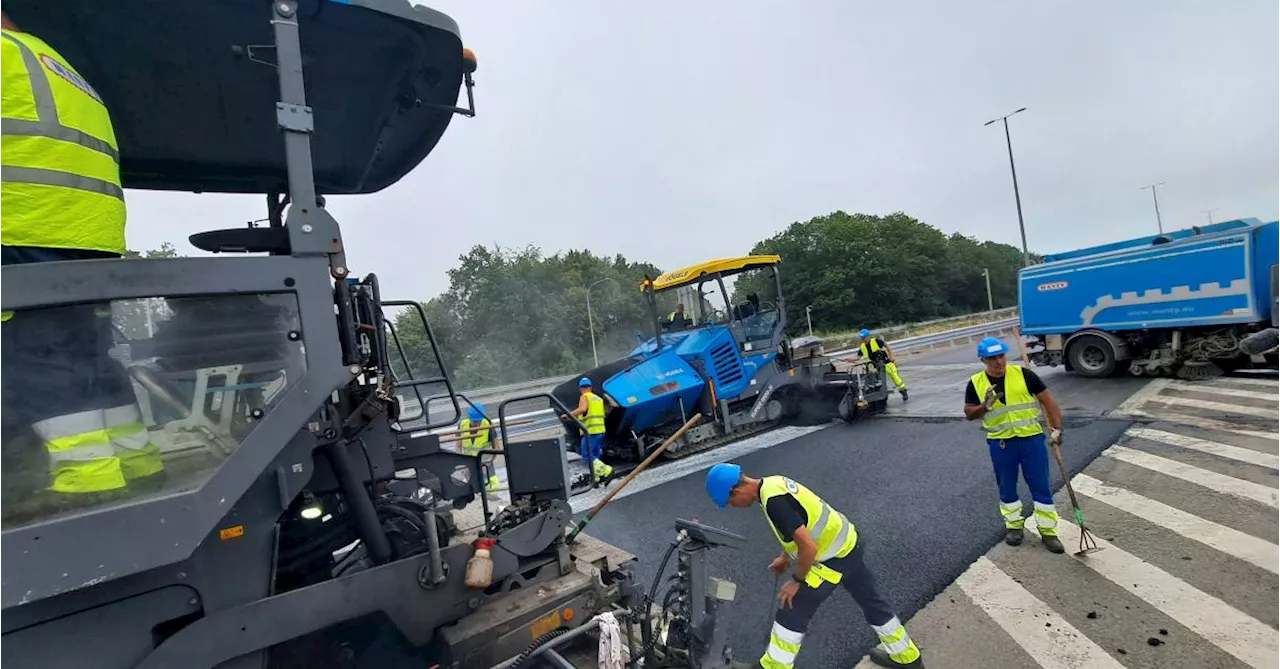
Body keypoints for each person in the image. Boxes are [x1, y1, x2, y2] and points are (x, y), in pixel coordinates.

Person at [0, 7, 165, 504]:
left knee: (38, 356)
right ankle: (139, 462)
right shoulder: (58, 66)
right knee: (91, 355)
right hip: (90, 236)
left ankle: (86, 479)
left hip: (23, 225)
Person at [705, 463, 924, 669]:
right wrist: (785, 557)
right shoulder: (772, 484)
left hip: (833, 558)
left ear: (736, 490)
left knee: (792, 608)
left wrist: (797, 580)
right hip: (849, 544)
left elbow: (808, 546)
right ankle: (907, 657)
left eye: (729, 502)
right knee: (872, 602)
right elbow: (801, 527)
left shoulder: (774, 503)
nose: (733, 507)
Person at [963, 337, 1065, 553]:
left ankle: (1048, 531)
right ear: (983, 360)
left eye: (1001, 356)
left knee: (1040, 485)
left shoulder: (1024, 375)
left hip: (1032, 440)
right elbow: (969, 413)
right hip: (1001, 443)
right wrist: (984, 406)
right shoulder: (976, 382)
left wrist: (1057, 429)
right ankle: (1014, 527)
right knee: (1007, 486)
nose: (998, 362)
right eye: (992, 358)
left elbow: (1048, 401)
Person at [569, 377, 614, 482]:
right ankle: (597, 477)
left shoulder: (584, 397)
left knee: (587, 455)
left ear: (580, 388)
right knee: (595, 455)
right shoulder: (598, 399)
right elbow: (603, 414)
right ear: (591, 387)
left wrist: (568, 415)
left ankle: (606, 470)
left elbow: (582, 409)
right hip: (600, 431)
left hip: (590, 432)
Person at [856, 329, 908, 401]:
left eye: (864, 337)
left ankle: (903, 391)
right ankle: (882, 395)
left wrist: (891, 357)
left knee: (895, 377)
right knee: (878, 381)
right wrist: (847, 359)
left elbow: (888, 347)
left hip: (885, 363)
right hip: (875, 366)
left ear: (868, 336)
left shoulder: (876, 341)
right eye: (862, 338)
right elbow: (857, 357)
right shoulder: (862, 346)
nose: (863, 339)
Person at [459, 404, 500, 493]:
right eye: (474, 422)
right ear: (469, 418)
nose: (477, 424)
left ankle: (492, 500)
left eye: (479, 421)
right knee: (470, 487)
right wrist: (460, 463)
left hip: (485, 463)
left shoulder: (488, 425)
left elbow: (496, 447)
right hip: (468, 463)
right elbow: (458, 446)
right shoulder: (462, 425)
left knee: (491, 486)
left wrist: (487, 463)